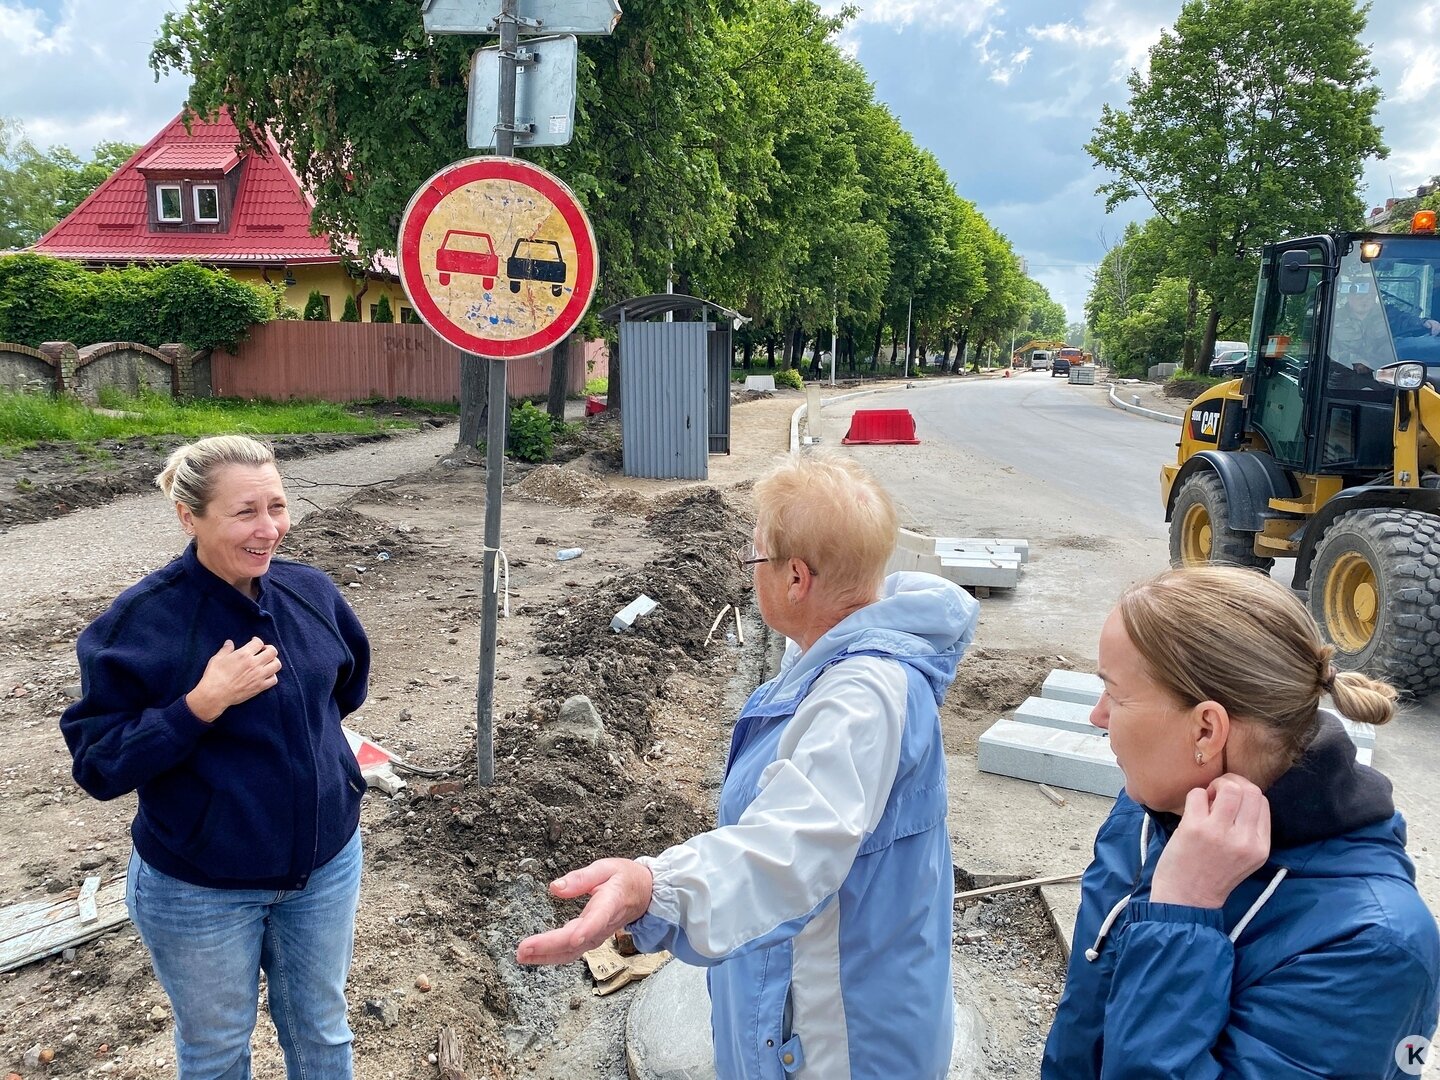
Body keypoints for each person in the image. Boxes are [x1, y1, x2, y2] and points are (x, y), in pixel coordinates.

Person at [516, 452, 979, 1079]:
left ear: (796, 579)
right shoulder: (829, 654)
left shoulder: (861, 701)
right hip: (805, 1006)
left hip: (836, 1038)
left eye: (755, 556)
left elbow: (785, 853)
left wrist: (655, 889)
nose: (747, 571)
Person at [1042, 566, 1440, 1078]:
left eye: (1116, 696)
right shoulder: (1157, 811)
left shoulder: (1372, 947)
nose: (1098, 717)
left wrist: (1181, 919)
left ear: (1206, 730)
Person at [60, 435, 372, 1080]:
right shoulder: (140, 624)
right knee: (217, 1052)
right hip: (200, 889)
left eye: (277, 507)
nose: (268, 530)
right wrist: (199, 705)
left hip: (324, 870)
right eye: (244, 512)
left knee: (323, 1035)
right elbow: (98, 763)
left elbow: (345, 688)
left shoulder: (310, 591)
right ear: (189, 516)